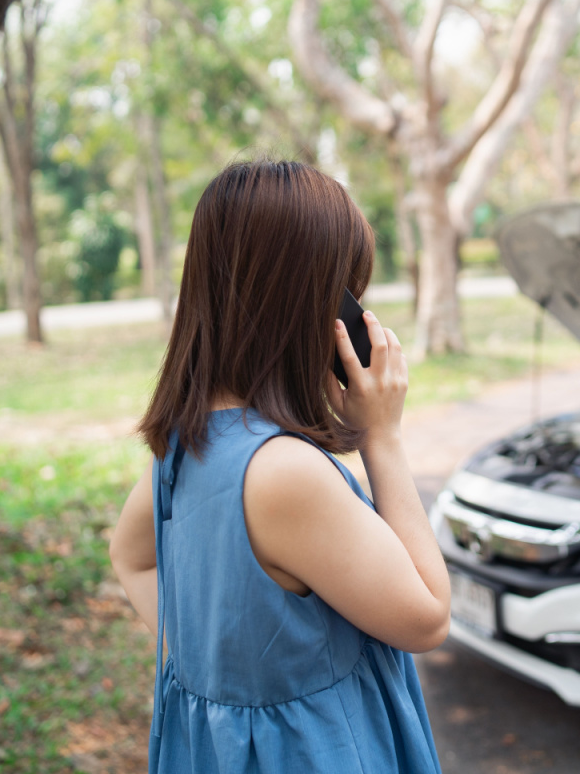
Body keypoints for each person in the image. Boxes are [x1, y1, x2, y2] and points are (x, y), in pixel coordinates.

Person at [109, 158, 449, 773]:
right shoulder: (284, 473)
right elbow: (426, 618)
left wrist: (216, 668)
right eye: (348, 291)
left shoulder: (187, 445)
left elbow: (130, 556)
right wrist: (383, 438)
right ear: (308, 305)